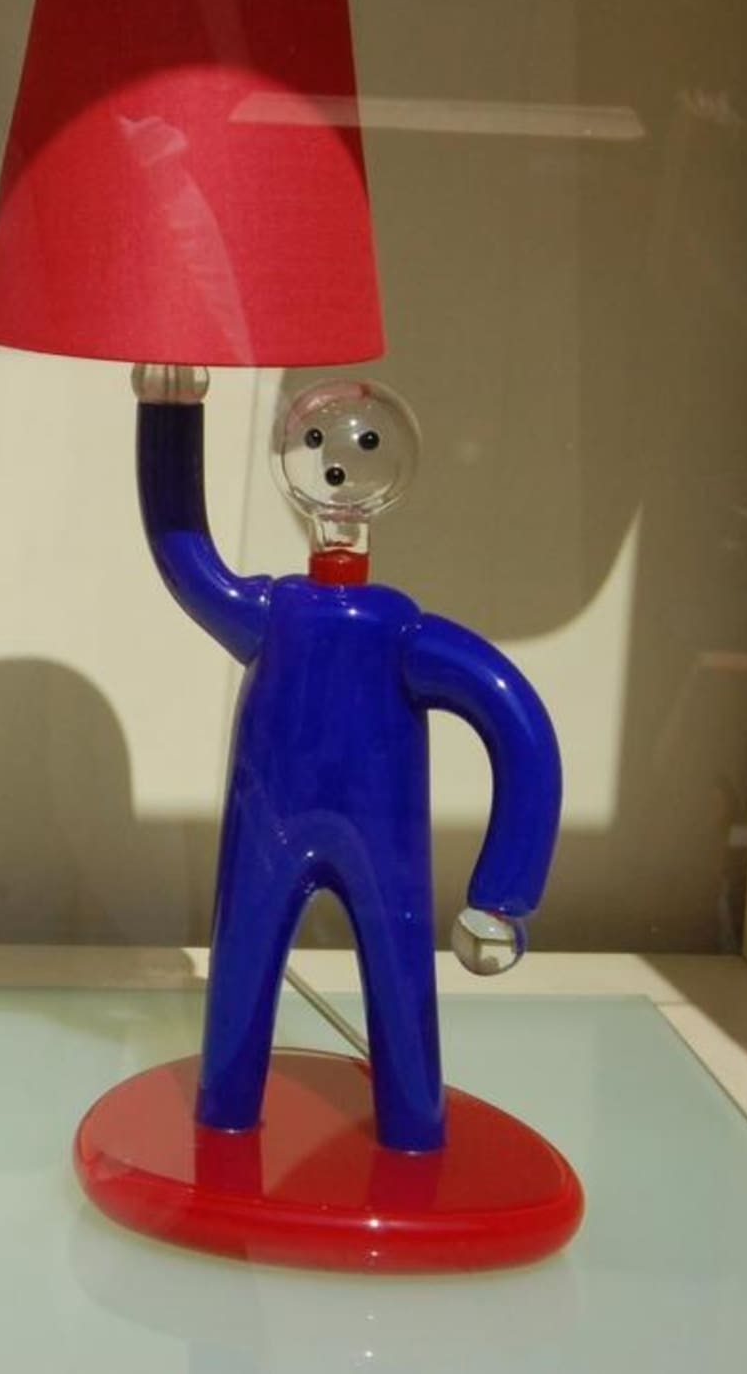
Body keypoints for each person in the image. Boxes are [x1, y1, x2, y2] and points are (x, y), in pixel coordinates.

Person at [134, 363, 560, 1151]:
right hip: (270, 833)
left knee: (401, 985)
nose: (337, 466)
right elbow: (185, 558)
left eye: (361, 447)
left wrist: (505, 892)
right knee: (243, 969)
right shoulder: (280, 616)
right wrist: (170, 407)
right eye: (321, 444)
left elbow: (516, 722)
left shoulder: (390, 631)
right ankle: (226, 1122)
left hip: (379, 843)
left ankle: (413, 1131)